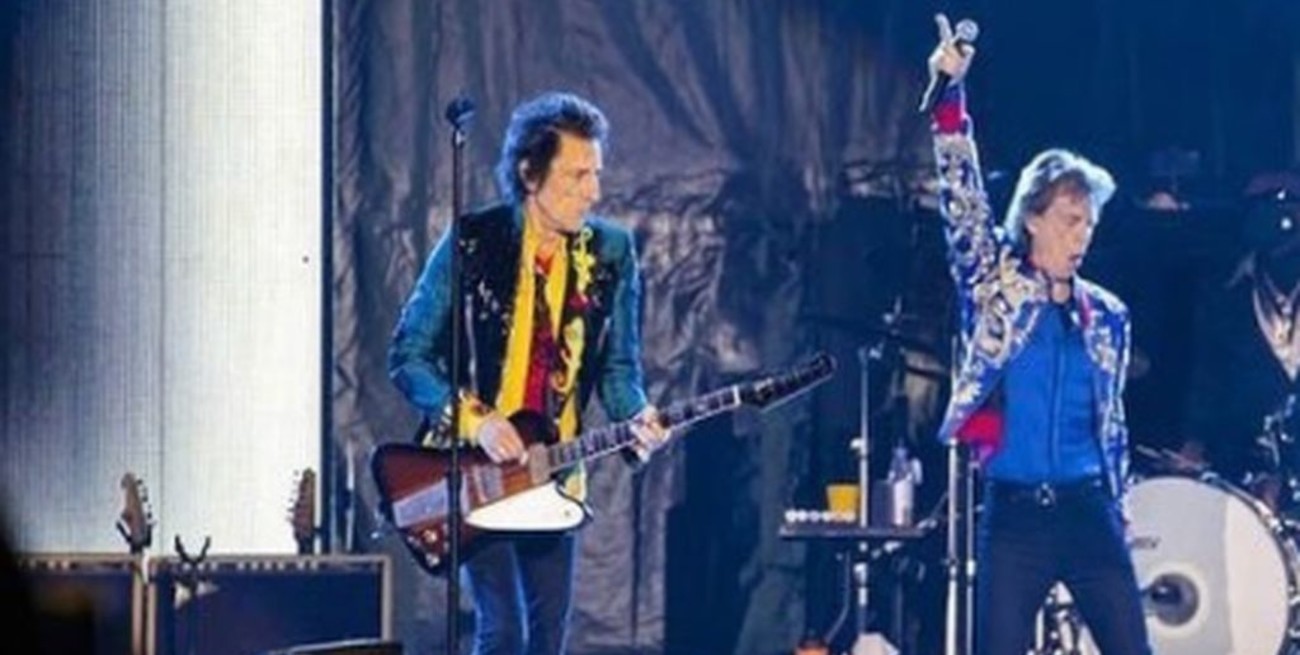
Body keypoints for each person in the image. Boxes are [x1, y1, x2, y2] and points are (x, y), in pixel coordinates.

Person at [388, 91, 669, 655]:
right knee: (505, 631)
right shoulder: (475, 241)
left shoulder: (611, 252)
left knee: (545, 640)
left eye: (596, 173)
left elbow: (619, 369)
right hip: (476, 471)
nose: (593, 191)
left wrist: (637, 414)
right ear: (529, 173)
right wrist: (478, 421)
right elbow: (409, 354)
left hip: (553, 470)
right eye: (576, 176)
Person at [926, 15, 1151, 655]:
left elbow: (1112, 420)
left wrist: (1118, 503)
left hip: (1088, 511)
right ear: (1031, 218)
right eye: (1070, 220)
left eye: (1090, 224)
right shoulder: (993, 287)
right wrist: (949, 97)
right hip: (1016, 517)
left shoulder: (1107, 315)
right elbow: (962, 201)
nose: (1082, 235)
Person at [1180, 170, 1300, 511]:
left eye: (1281, 201)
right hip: (1246, 466)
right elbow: (1208, 376)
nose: (1271, 215)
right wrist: (1195, 442)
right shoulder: (1225, 293)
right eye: (1256, 205)